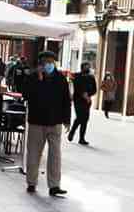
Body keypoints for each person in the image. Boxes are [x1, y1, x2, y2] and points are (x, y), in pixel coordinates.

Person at [20, 50, 72, 198]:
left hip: (55, 122)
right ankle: (31, 182)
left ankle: (54, 185)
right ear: (40, 64)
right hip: (37, 122)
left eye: (51, 62)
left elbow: (66, 100)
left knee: (55, 155)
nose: (49, 65)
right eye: (46, 62)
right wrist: (38, 79)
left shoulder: (61, 79)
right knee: (34, 153)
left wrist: (67, 120)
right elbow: (25, 94)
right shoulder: (32, 78)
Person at [68, 62, 97, 145]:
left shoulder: (91, 77)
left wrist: (88, 95)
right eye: (85, 67)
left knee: (85, 119)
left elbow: (94, 89)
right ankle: (72, 132)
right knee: (80, 117)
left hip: (87, 101)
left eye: (88, 67)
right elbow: (76, 87)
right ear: (82, 67)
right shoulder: (77, 76)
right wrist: (83, 94)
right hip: (78, 100)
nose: (87, 68)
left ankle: (82, 138)